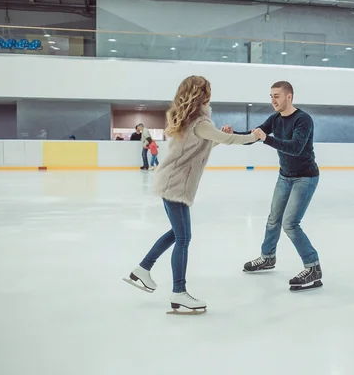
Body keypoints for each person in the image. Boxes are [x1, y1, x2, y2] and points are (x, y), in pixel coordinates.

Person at [123, 75, 259, 314]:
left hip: (171, 182)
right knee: (183, 237)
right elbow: (228, 138)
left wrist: (219, 136)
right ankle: (178, 292)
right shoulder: (199, 122)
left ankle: (143, 269)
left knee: (178, 234)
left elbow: (201, 145)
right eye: (208, 91)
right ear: (202, 94)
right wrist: (253, 137)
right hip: (176, 185)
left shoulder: (188, 120)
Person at [221, 81, 322, 292]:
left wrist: (267, 139)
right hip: (285, 176)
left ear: (289, 97)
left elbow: (295, 148)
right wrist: (232, 134)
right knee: (273, 219)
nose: (273, 100)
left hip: (305, 177)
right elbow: (253, 136)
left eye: (277, 95)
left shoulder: (303, 120)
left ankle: (313, 268)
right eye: (271, 96)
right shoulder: (275, 119)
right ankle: (267, 258)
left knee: (290, 224)